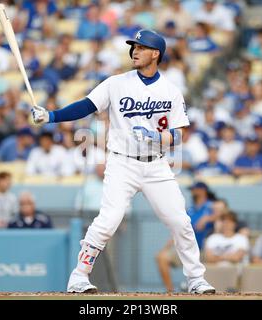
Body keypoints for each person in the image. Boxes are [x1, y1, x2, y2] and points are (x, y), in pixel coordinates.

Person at [31, 29, 215, 294]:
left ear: (156, 53)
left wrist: (156, 136)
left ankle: (196, 279)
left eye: (141, 47)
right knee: (108, 220)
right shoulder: (116, 83)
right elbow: (86, 106)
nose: (135, 51)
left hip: (156, 165)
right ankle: (79, 276)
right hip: (122, 163)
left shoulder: (172, 91)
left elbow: (178, 136)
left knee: (180, 221)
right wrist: (50, 116)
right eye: (134, 47)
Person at [155, 181, 216, 292]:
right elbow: (179, 229)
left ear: (202, 190)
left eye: (194, 189)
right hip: (188, 249)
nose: (192, 192)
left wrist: (209, 218)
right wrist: (166, 248)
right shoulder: (191, 209)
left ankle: (202, 286)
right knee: (161, 257)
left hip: (206, 250)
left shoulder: (212, 205)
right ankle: (170, 291)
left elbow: (225, 213)